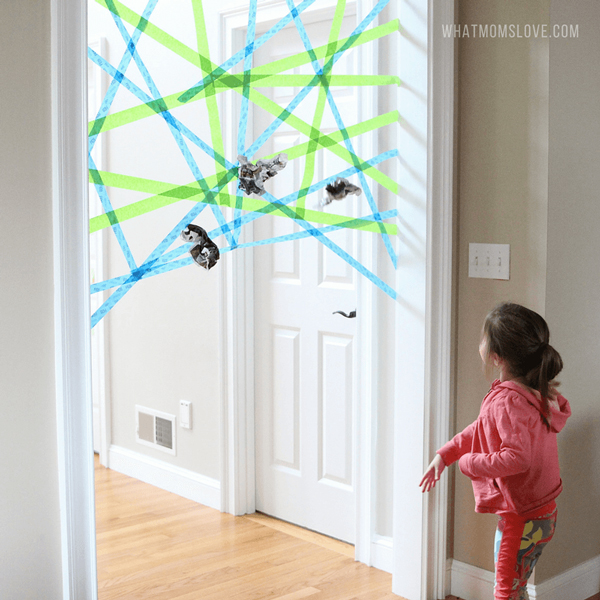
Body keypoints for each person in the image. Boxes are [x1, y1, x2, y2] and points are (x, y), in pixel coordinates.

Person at [420, 302, 571, 600]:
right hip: (543, 513)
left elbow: (517, 457)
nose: (480, 343)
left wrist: (469, 463)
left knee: (505, 592)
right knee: (515, 587)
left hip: (521, 518)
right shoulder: (531, 391)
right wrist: (446, 454)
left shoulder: (507, 401)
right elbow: (482, 429)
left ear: (496, 356)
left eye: (483, 338)